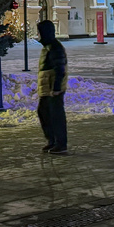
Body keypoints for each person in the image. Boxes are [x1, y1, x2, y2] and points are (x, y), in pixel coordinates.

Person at [36, 20, 68, 155]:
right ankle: (52, 140)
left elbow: (59, 68)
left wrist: (56, 88)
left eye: (40, 32)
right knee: (44, 113)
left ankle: (60, 143)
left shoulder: (55, 47)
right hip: (46, 89)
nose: (38, 35)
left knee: (56, 116)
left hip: (53, 89)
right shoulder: (47, 47)